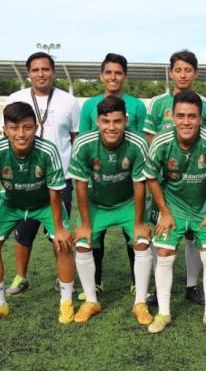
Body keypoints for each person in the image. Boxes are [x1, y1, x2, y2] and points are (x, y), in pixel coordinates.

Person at [0, 102, 74, 324]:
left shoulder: (48, 150)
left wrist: (59, 229)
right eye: (14, 128)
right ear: (5, 129)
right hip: (11, 203)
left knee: (63, 243)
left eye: (27, 127)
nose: (21, 134)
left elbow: (55, 193)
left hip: (44, 203)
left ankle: (66, 301)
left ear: (36, 127)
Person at [144, 90, 206, 335]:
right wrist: (164, 212)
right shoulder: (161, 141)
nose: (186, 122)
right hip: (173, 206)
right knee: (164, 252)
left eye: (192, 116)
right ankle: (164, 313)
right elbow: (151, 177)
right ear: (172, 117)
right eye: (180, 116)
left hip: (203, 207)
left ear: (200, 118)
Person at [143, 49, 206, 306]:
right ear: (171, 72)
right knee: (163, 234)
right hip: (167, 183)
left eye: (188, 70)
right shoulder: (157, 103)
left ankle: (191, 285)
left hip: (197, 182)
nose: (183, 74)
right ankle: (159, 291)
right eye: (178, 70)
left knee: (193, 237)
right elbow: (152, 141)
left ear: (195, 73)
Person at [69, 96, 152, 324]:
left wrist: (139, 223)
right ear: (97, 121)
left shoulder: (138, 143)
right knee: (83, 242)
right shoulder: (83, 143)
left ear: (126, 120)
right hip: (97, 204)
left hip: (127, 203)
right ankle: (91, 301)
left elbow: (140, 184)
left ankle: (140, 302)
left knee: (142, 241)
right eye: (106, 121)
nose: (111, 127)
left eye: (117, 121)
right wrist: (85, 224)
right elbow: (80, 185)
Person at [4, 52, 80, 296]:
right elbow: (8, 137)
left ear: (53, 72)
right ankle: (20, 277)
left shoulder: (69, 101)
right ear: (29, 73)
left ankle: (62, 278)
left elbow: (75, 139)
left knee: (59, 233)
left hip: (60, 179)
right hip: (24, 179)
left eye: (45, 69)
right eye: (35, 70)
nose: (41, 74)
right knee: (23, 232)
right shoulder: (15, 99)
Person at [78, 53, 147, 300]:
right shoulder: (89, 105)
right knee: (94, 237)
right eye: (108, 72)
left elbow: (136, 144)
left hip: (127, 182)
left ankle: (136, 283)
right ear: (101, 76)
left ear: (125, 76)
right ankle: (95, 283)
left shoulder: (137, 106)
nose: (113, 77)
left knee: (135, 235)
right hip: (98, 182)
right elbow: (85, 141)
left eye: (118, 73)